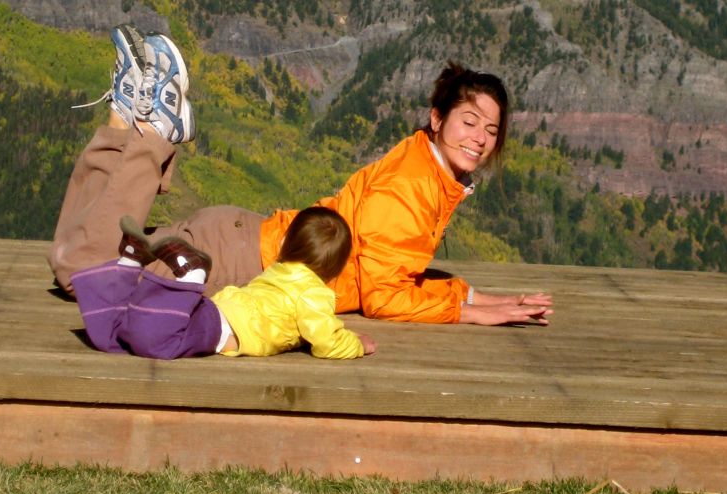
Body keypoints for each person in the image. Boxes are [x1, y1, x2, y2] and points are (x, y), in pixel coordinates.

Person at [50, 26, 551, 327]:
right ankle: (155, 132)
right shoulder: (413, 187)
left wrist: (472, 296)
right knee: (87, 276)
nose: (480, 138)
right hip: (243, 264)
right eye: (470, 122)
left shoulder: (425, 166)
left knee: (78, 253)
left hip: (240, 240)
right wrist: (470, 311)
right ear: (437, 119)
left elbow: (396, 271)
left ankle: (124, 117)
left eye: (491, 130)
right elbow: (383, 297)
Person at [73, 205, 376, 360]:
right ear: (334, 270)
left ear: (284, 242)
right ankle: (191, 275)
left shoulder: (277, 269)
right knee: (156, 343)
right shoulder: (314, 292)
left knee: (120, 332)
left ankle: (128, 266)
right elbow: (324, 339)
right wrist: (356, 345)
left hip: (217, 308)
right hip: (222, 329)